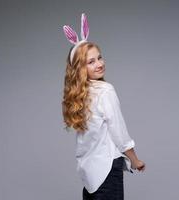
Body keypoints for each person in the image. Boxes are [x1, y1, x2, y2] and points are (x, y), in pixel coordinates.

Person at [62, 13, 146, 200]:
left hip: (90, 177)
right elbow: (119, 132)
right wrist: (135, 160)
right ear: (80, 68)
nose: (99, 64)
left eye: (99, 58)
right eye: (91, 62)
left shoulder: (78, 96)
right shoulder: (105, 91)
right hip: (107, 171)